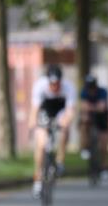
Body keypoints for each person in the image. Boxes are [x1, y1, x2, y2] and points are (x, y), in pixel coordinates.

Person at [28, 65, 75, 198]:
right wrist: (33, 124)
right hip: (45, 110)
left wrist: (66, 121)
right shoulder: (40, 86)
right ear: (47, 81)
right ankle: (37, 180)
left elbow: (70, 111)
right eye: (52, 84)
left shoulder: (68, 87)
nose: (55, 86)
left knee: (65, 129)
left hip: (60, 110)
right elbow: (35, 109)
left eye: (57, 83)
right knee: (41, 144)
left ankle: (60, 161)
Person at [79, 74, 108, 180]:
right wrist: (93, 107)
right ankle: (85, 147)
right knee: (84, 121)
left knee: (104, 144)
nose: (91, 89)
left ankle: (104, 167)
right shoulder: (84, 92)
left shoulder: (103, 91)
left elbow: (102, 108)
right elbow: (83, 106)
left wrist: (90, 107)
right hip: (89, 116)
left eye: (92, 87)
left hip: (102, 118)